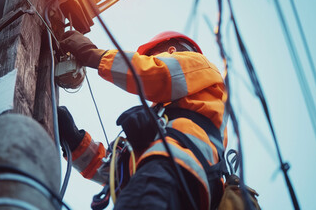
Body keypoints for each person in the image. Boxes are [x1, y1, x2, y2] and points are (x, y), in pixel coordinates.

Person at [58, 30, 227, 210]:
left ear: (171, 51)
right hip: (175, 182)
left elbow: (156, 72)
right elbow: (115, 174)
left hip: (172, 170)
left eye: (149, 57)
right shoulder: (164, 118)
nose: (146, 60)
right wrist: (76, 143)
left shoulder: (199, 64)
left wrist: (92, 54)